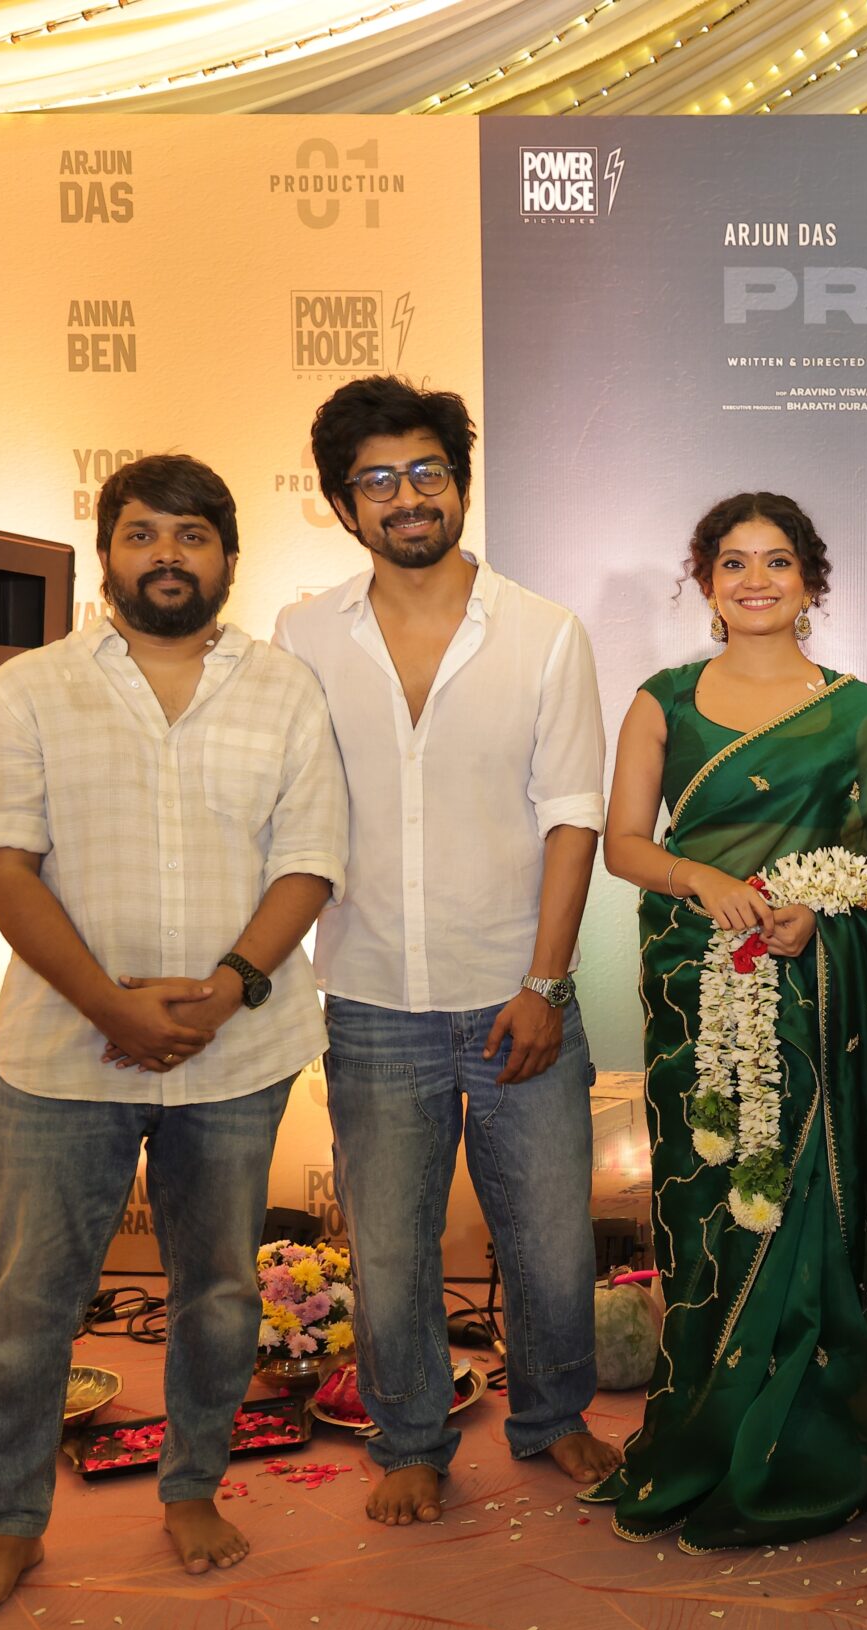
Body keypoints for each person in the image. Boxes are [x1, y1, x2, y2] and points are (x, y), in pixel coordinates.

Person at [0, 455, 346, 1620]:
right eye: (141, 534)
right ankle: (12, 1525)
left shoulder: (285, 689)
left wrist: (228, 988)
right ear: (108, 554)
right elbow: (1, 863)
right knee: (28, 1302)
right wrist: (107, 1006)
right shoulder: (30, 688)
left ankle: (192, 1487)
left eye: (192, 535)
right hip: (65, 1054)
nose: (167, 555)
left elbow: (310, 859)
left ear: (228, 557)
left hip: (236, 1052)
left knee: (217, 1292)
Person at [274, 377, 617, 1526]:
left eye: (426, 471)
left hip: (517, 993)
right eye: (376, 480)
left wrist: (545, 984)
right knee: (388, 1250)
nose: (406, 496)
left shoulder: (543, 632)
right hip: (372, 995)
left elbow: (572, 818)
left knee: (551, 1244)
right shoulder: (301, 635)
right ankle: (411, 1438)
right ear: (342, 506)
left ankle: (554, 1418)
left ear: (460, 485)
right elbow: (288, 809)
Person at [585, 491, 867, 1550]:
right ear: (706, 580)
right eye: (734, 562)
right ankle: (707, 1431)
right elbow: (624, 845)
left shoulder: (853, 710)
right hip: (697, 985)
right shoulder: (664, 702)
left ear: (810, 580)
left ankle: (811, 1444)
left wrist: (818, 917)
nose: (757, 580)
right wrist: (704, 879)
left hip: (818, 1000)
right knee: (710, 1205)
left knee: (808, 1209)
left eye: (778, 561)